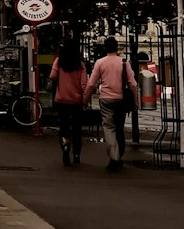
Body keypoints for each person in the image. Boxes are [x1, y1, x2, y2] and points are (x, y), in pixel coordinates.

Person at [84, 37, 140, 171]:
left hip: (106, 99)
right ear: (117, 48)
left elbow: (91, 84)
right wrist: (136, 101)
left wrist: (85, 99)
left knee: (109, 128)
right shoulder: (124, 63)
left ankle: (114, 157)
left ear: (105, 48)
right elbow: (133, 84)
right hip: (121, 99)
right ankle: (119, 155)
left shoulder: (100, 63)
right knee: (119, 127)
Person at [49, 40, 88, 167]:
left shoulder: (59, 62)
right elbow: (84, 85)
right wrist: (85, 100)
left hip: (61, 100)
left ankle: (65, 147)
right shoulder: (80, 65)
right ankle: (76, 154)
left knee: (64, 126)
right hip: (77, 101)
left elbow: (52, 76)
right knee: (77, 128)